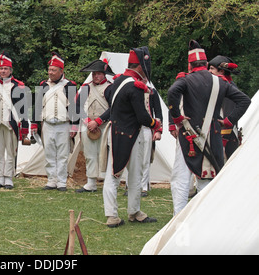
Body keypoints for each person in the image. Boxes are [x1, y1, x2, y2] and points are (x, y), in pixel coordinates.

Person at [168, 40, 250, 195]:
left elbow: (172, 94)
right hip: (213, 135)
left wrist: (177, 119)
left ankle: (178, 216)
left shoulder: (185, 80)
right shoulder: (220, 83)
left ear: (190, 65)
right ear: (205, 64)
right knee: (205, 179)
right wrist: (227, 121)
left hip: (189, 133)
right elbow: (244, 101)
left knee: (183, 179)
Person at [102, 47, 162, 228]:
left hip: (116, 131)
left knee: (116, 173)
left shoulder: (118, 80)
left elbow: (107, 95)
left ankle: (127, 212)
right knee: (125, 175)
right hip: (132, 134)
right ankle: (119, 214)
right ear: (141, 67)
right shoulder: (135, 86)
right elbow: (143, 117)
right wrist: (155, 124)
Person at [32, 52, 78, 191]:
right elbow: (38, 105)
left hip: (63, 124)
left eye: (54, 70)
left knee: (63, 155)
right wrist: (34, 123)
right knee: (50, 154)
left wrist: (74, 126)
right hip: (47, 124)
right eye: (50, 70)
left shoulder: (70, 85)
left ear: (61, 71)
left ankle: (62, 182)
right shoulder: (43, 85)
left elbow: (75, 107)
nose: (50, 73)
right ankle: (51, 180)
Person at [0, 52, 29, 189]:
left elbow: (23, 108)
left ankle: (9, 177)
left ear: (11, 70)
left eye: (6, 69)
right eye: (1, 69)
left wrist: (24, 126)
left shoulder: (18, 85)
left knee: (11, 151)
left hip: (11, 123)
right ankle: (0, 177)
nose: (3, 71)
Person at [74, 58, 114, 193]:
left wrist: (98, 121)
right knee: (90, 154)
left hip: (104, 125)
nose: (96, 76)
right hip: (88, 125)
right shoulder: (86, 87)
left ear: (104, 74)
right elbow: (78, 106)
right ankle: (91, 182)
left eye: (99, 74)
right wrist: (87, 122)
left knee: (106, 154)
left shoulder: (110, 88)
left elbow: (113, 108)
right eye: (94, 74)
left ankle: (107, 182)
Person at [208, 55, 242, 160]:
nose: (209, 71)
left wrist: (222, 142)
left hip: (226, 138)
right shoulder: (220, 85)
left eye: (212, 69)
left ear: (221, 71)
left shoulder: (228, 88)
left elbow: (228, 115)